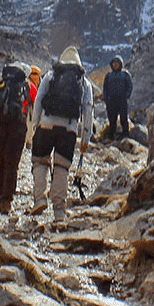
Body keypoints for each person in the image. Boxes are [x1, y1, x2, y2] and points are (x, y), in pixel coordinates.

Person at [27, 46, 94, 221]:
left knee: (40, 162)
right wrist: (85, 139)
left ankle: (39, 199)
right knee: (61, 167)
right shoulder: (84, 81)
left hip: (46, 124)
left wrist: (35, 125)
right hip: (69, 129)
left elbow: (39, 100)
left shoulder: (51, 75)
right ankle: (59, 211)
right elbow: (88, 110)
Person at [0, 62, 38, 214]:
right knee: (12, 164)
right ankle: (6, 200)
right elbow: (38, 103)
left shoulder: (0, 84)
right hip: (17, 129)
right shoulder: (28, 86)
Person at [102, 56, 134, 140]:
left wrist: (127, 96)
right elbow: (105, 88)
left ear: (121, 64)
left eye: (117, 63)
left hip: (122, 100)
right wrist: (106, 99)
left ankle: (125, 134)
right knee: (112, 119)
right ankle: (111, 135)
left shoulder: (125, 74)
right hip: (111, 100)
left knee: (124, 118)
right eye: (114, 63)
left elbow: (130, 86)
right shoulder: (109, 76)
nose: (115, 65)